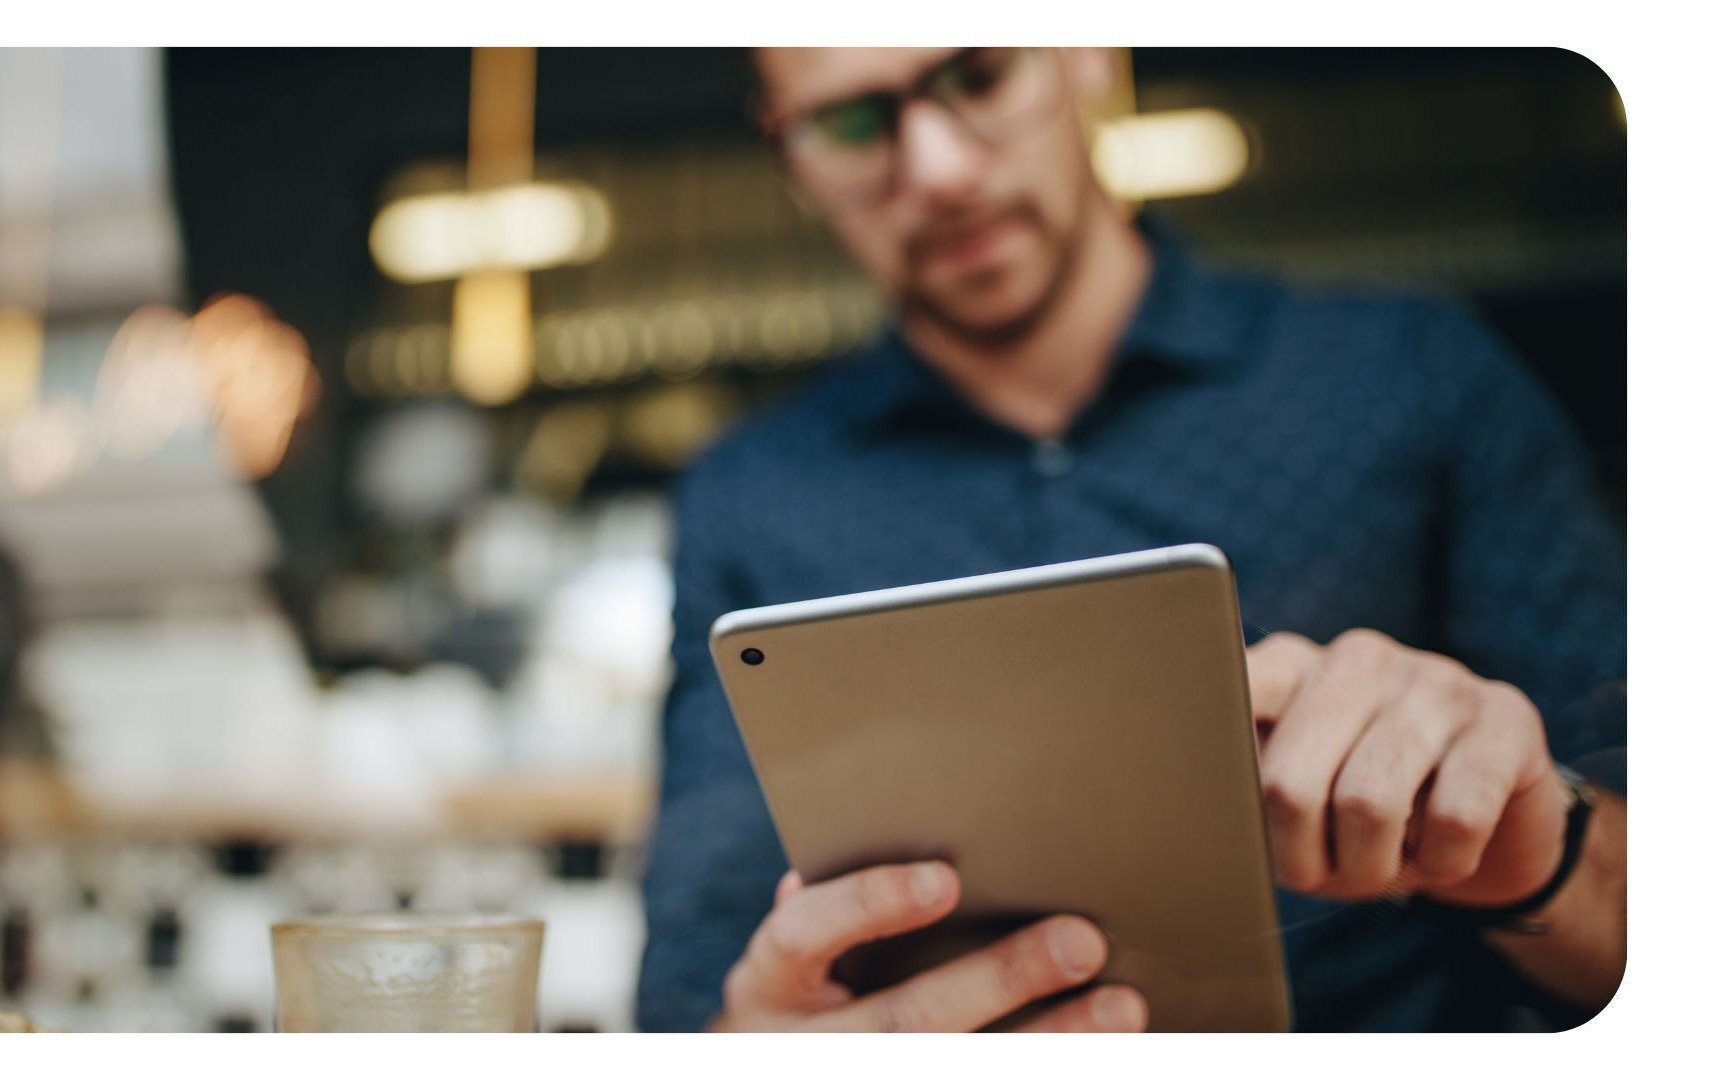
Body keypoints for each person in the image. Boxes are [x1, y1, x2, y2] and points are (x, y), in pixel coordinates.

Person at [636, 47, 1626, 1032]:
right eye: (852, 125)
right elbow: (692, 993)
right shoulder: (752, 495)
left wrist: (1536, 849)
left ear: (1087, 55)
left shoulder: (1418, 374)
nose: (935, 170)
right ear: (789, 154)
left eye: (978, 78)